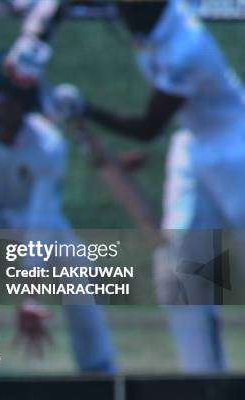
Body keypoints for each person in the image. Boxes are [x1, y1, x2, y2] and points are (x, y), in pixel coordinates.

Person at [56, 0, 245, 372]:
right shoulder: (149, 18)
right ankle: (203, 379)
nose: (120, 12)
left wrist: (85, 109)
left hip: (235, 145)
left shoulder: (187, 46)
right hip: (192, 143)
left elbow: (148, 127)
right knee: (180, 267)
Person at [0, 52, 117, 373]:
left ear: (27, 103)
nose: (4, 109)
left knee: (79, 271)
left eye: (12, 101)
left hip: (29, 221)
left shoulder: (48, 144)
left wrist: (29, 296)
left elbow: (40, 223)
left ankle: (100, 371)